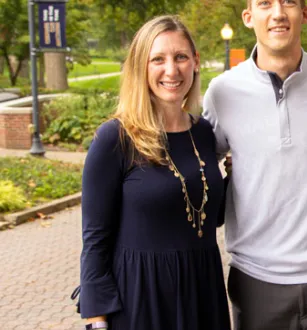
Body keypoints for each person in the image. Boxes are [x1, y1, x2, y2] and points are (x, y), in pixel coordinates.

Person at [202, 0, 307, 329]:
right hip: (258, 284)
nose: (278, 13)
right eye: (265, 3)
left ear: (304, 14)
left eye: (289, 2)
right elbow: (199, 167)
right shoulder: (222, 93)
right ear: (249, 18)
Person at [78, 15, 230, 330]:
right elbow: (95, 239)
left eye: (181, 57)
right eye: (157, 59)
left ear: (195, 62)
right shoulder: (115, 138)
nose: (171, 70)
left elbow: (209, 215)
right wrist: (96, 320)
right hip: (141, 297)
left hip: (201, 288)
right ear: (140, 67)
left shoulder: (203, 133)